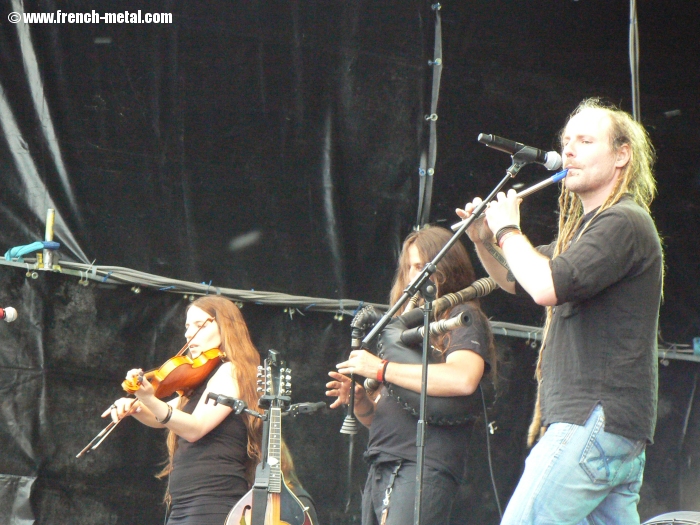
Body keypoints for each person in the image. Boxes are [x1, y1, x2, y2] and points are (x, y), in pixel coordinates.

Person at [457, 98, 662, 524]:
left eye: (585, 141)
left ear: (622, 155)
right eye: (566, 141)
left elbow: (545, 286)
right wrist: (483, 239)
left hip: (593, 418)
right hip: (612, 430)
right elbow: (516, 278)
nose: (569, 150)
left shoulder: (623, 222)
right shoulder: (586, 232)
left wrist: (507, 228)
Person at [326, 226, 495, 525]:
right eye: (409, 268)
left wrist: (381, 369)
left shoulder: (462, 316)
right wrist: (362, 402)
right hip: (382, 464)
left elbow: (463, 379)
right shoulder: (405, 329)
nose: (414, 275)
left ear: (447, 268)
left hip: (421, 466)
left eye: (422, 266)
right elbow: (392, 416)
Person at [103, 296, 262, 525]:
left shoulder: (232, 371)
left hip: (213, 500)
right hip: (186, 501)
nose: (189, 334)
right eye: (187, 326)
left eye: (200, 325)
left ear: (225, 327)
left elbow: (195, 428)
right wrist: (136, 408)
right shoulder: (200, 378)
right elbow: (166, 415)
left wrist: (148, 398)